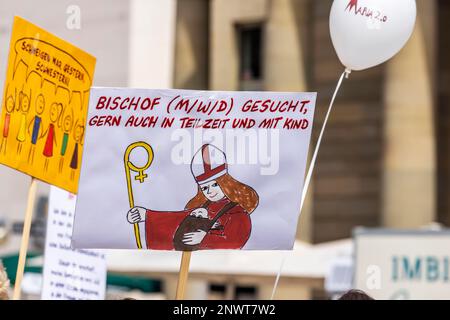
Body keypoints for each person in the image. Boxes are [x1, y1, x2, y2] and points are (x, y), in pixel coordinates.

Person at [127, 144, 259, 250]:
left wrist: (205, 239)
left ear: (226, 183)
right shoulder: (202, 208)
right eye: (205, 188)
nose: (210, 191)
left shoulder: (238, 212)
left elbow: (235, 240)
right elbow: (176, 219)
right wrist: (147, 215)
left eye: (215, 185)